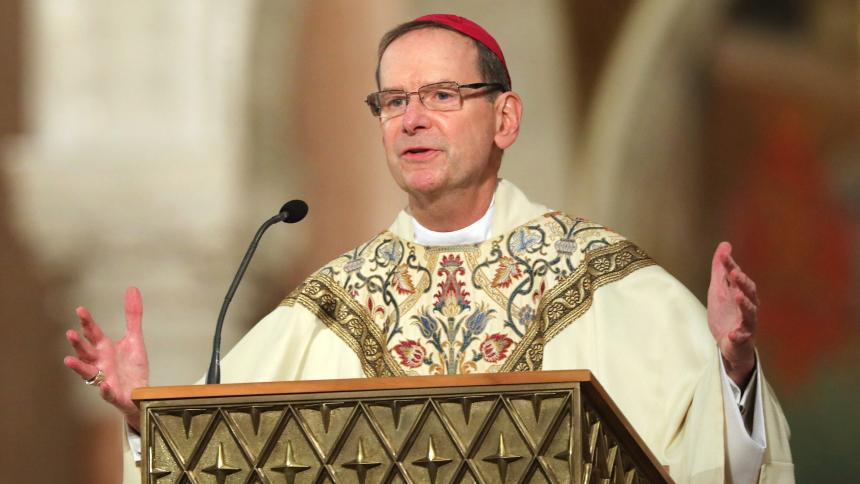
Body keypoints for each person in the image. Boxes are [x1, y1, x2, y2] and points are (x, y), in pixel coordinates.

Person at [64, 14, 793, 484]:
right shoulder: (332, 307)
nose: (411, 119)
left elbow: (719, 461)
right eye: (392, 101)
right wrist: (144, 420)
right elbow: (216, 460)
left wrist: (732, 372)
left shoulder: (603, 280)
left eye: (442, 95)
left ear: (505, 117)